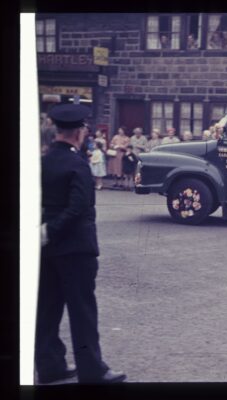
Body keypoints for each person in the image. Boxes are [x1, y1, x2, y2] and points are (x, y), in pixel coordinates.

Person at [38, 104, 126, 384]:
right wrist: (52, 229)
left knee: (47, 309)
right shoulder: (77, 164)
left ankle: (49, 366)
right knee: (82, 311)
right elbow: (79, 207)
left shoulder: (44, 160)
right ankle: (92, 370)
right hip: (75, 249)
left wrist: (43, 230)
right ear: (78, 133)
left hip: (47, 248)